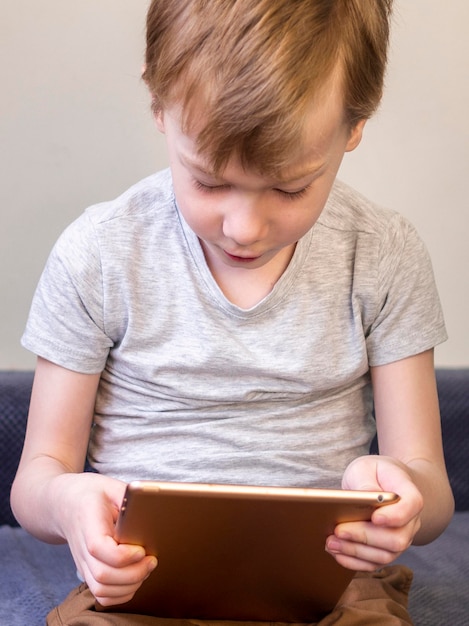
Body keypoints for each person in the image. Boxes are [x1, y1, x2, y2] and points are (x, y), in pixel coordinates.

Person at [11, 0, 454, 624]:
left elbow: (431, 491)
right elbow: (37, 478)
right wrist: (67, 500)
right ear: (159, 106)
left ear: (355, 126)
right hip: (143, 591)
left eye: (290, 187)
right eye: (210, 182)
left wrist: (405, 496)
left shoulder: (384, 254)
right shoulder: (98, 255)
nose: (244, 228)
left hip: (327, 591)